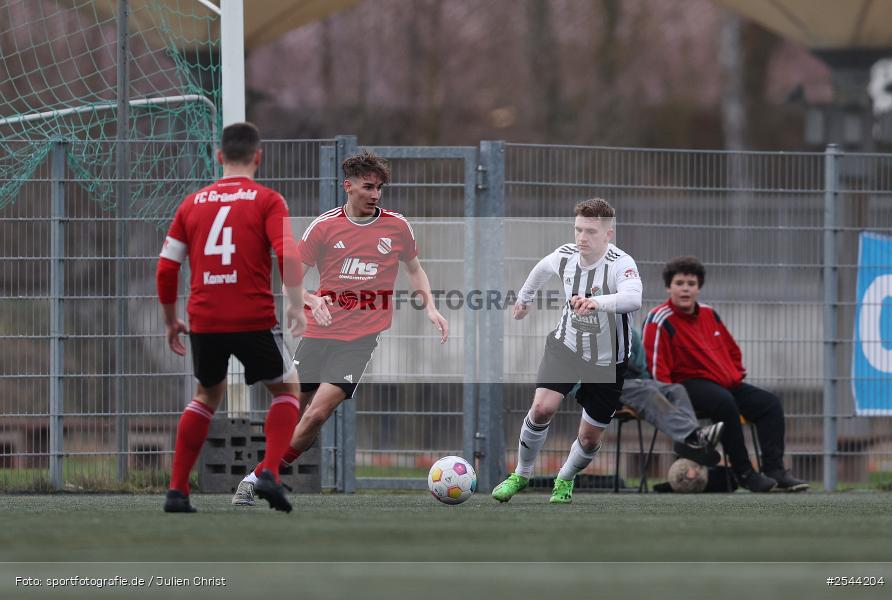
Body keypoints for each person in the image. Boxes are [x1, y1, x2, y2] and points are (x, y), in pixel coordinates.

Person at [231, 150, 449, 505]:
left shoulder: (396, 226)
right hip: (318, 333)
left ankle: (260, 477)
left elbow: (414, 269)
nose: (376, 194)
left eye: (380, 188)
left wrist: (432, 309)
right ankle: (266, 471)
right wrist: (312, 301)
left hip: (359, 341)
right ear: (348, 187)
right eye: (368, 187)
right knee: (292, 407)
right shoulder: (324, 226)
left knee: (318, 412)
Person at [157, 121, 307, 513]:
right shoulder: (267, 200)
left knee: (206, 395)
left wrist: (172, 319)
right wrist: (294, 303)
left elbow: (166, 268)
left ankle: (177, 492)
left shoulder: (191, 204)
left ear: (220, 157)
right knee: (286, 391)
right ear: (258, 157)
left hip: (204, 320)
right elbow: (288, 255)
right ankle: (270, 472)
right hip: (252, 317)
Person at [492, 198, 642, 504]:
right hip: (567, 346)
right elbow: (541, 268)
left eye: (590, 231)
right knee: (542, 408)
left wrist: (598, 302)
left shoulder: (621, 263)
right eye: (578, 229)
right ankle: (521, 474)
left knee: (589, 439)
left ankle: (565, 478)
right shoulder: (566, 256)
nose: (582, 237)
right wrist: (524, 298)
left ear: (608, 234)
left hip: (607, 362)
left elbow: (633, 299)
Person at [643, 256, 809, 492]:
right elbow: (656, 369)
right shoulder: (659, 319)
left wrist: (734, 373)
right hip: (684, 386)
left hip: (724, 384)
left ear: (698, 287)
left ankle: (775, 471)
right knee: (724, 402)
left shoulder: (710, 314)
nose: (685, 289)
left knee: (769, 404)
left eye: (691, 283)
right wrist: (669, 398)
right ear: (668, 287)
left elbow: (732, 349)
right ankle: (744, 473)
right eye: (679, 283)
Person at [621, 328, 723, 466]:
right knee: (649, 393)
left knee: (677, 389)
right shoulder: (594, 331)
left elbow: (641, 370)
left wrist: (644, 384)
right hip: (606, 386)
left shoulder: (630, 333)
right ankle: (693, 436)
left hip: (635, 384)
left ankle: (688, 442)